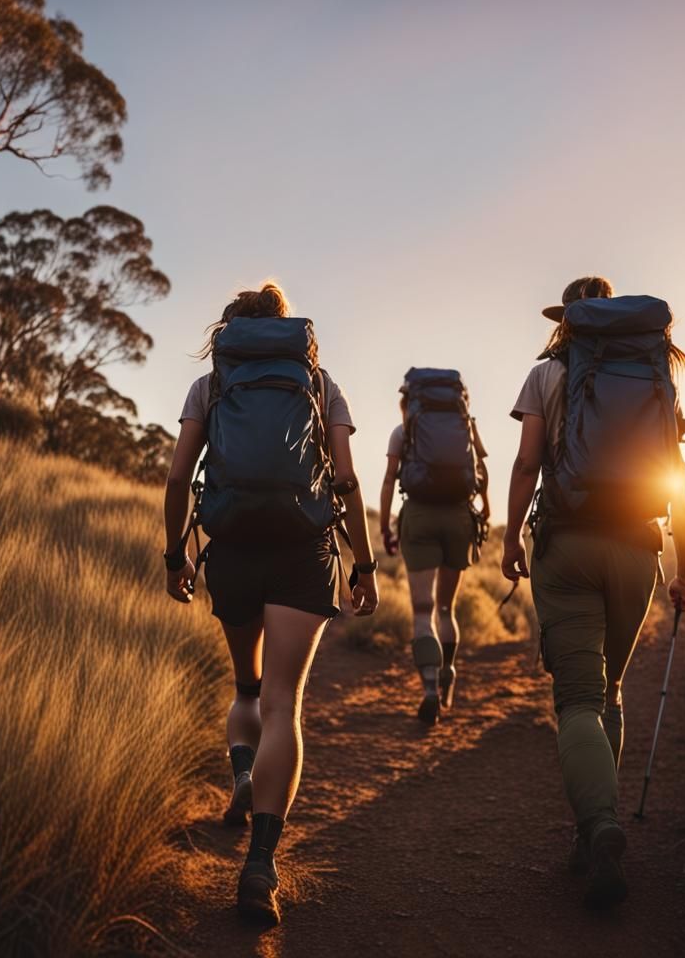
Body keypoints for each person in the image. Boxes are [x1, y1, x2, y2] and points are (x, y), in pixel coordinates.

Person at [163, 282, 379, 927]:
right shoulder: (318, 381)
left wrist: (176, 557)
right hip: (301, 549)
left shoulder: (211, 383)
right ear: (289, 329)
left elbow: (178, 476)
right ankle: (260, 863)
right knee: (286, 704)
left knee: (249, 686)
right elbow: (343, 479)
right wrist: (362, 565)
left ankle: (240, 771)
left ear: (230, 330)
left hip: (230, 547)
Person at [501, 275, 685, 908]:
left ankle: (599, 825)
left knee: (578, 696)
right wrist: (683, 569)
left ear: (567, 321)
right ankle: (597, 829)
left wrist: (508, 542)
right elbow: (677, 480)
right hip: (638, 548)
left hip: (567, 546)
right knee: (610, 686)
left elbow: (528, 463)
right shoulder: (652, 376)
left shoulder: (545, 375)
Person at [380, 368, 490, 725]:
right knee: (446, 608)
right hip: (459, 518)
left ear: (409, 402)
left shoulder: (403, 432)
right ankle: (450, 671)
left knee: (422, 609)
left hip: (420, 517)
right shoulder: (466, 427)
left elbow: (387, 481)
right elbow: (482, 473)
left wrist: (385, 525)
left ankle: (429, 689)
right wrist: (485, 507)